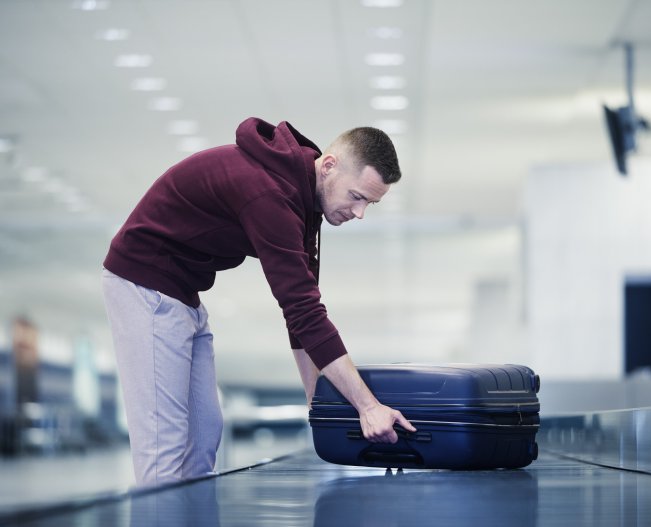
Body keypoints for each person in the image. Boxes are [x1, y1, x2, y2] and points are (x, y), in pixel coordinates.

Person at [101, 117, 416, 486]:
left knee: (205, 435)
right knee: (164, 447)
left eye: (370, 204)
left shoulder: (304, 198)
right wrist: (367, 406)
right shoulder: (269, 192)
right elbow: (302, 311)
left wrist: (317, 402)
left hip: (183, 294)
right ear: (329, 166)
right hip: (145, 286)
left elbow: (303, 316)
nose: (359, 212)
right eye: (357, 196)